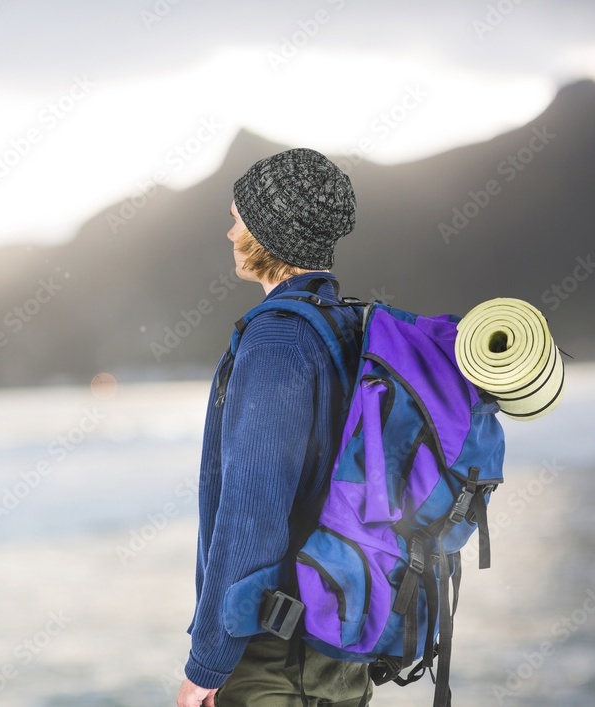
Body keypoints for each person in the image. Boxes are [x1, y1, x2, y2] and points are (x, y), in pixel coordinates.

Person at [177, 148, 371, 707]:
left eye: (238, 216)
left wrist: (207, 665)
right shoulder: (347, 326)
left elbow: (253, 510)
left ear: (270, 230)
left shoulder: (278, 340)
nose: (230, 230)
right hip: (340, 634)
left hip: (276, 653)